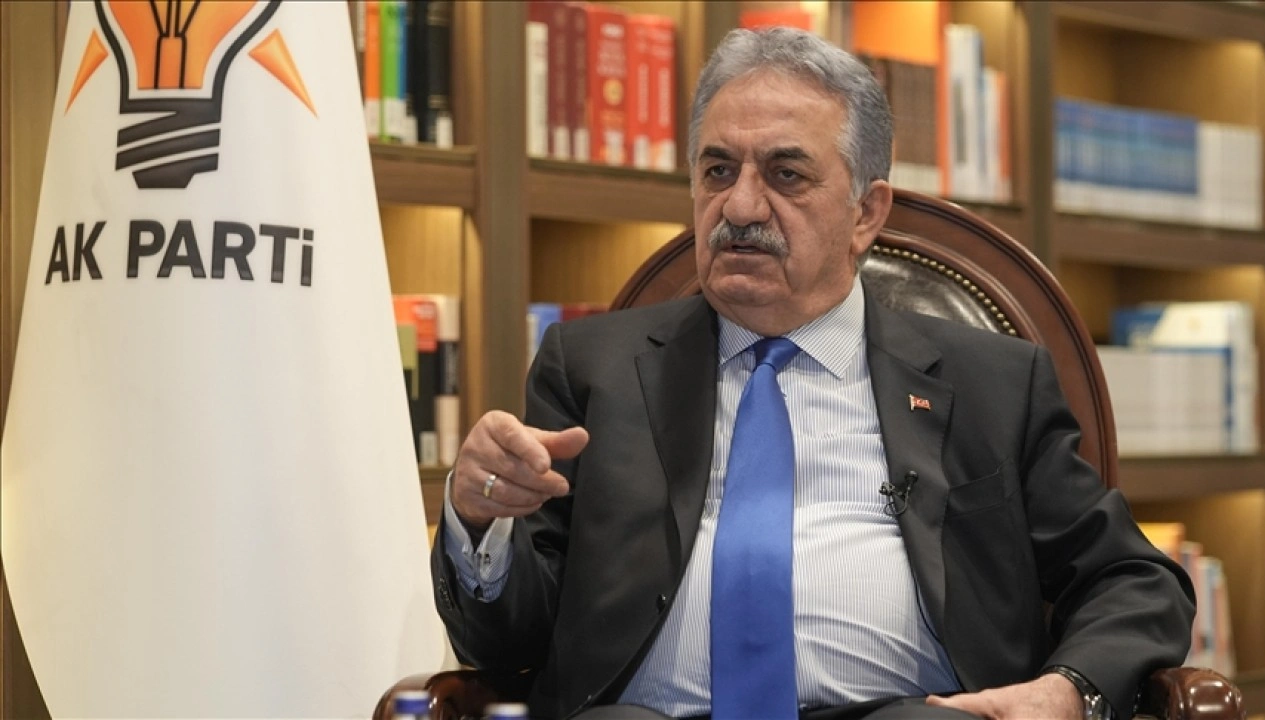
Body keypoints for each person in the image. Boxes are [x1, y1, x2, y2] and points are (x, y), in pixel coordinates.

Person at [431, 26, 1193, 720]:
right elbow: (507, 643)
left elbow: (1135, 580)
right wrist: (478, 521)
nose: (740, 205)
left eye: (786, 174)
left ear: (866, 212)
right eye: (718, 170)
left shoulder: (993, 385)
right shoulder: (593, 369)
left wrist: (1067, 691)